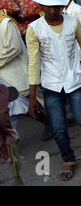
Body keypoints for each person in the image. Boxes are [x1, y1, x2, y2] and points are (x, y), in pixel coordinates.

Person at [26, 0, 81, 181]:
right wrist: (33, 96)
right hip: (50, 84)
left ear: (61, 6)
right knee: (58, 127)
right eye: (47, 7)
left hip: (74, 79)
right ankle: (69, 159)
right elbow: (33, 62)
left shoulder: (72, 22)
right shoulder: (34, 29)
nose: (52, 11)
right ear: (41, 6)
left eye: (56, 7)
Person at [0, 10, 51, 141]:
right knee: (17, 106)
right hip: (4, 77)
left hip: (17, 73)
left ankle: (52, 122)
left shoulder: (6, 22)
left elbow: (14, 48)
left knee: (29, 103)